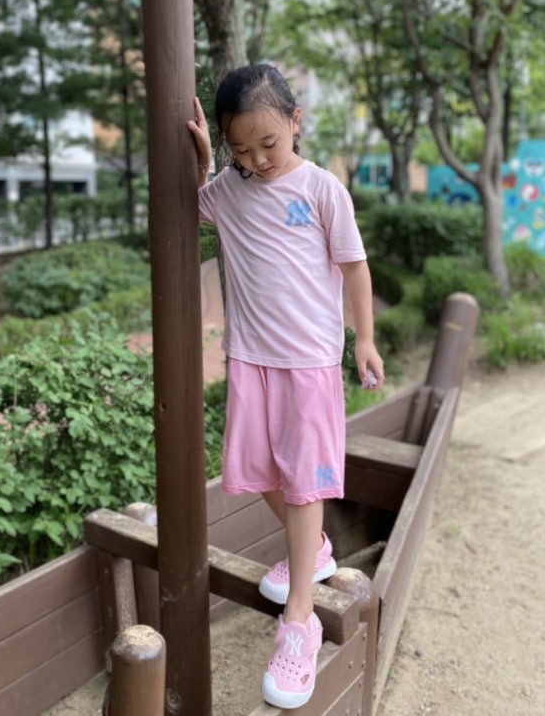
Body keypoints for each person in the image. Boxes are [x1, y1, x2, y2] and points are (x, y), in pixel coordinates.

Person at [187, 63, 384, 710]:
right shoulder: (228, 189)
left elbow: (354, 268)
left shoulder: (323, 189)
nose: (257, 160)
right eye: (241, 149)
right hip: (250, 359)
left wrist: (363, 338)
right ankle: (316, 548)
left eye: (268, 143)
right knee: (257, 470)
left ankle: (299, 618)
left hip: (309, 365)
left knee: (303, 481)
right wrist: (205, 160)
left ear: (295, 122)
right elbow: (191, 203)